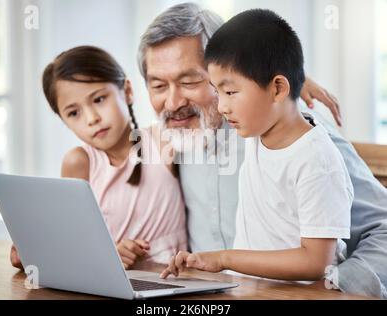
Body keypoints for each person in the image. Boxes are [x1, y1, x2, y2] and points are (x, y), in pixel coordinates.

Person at [138, 2, 387, 297]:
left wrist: (334, 288)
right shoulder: (170, 138)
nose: (172, 102)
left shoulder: (295, 137)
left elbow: (382, 226)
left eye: (190, 80)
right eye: (157, 86)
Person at [10, 46, 187, 269]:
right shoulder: (79, 162)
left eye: (99, 99)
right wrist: (35, 252)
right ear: (64, 121)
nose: (92, 118)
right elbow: (75, 241)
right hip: (109, 283)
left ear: (127, 91)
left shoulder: (161, 141)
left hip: (174, 279)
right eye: (74, 113)